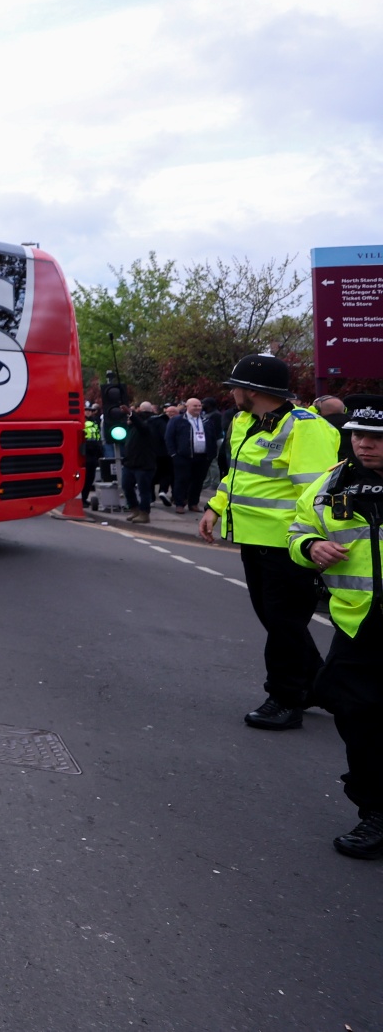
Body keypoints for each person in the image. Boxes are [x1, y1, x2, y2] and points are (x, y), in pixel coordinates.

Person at [201, 354, 342, 730]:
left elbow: (316, 493)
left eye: (234, 387)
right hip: (253, 539)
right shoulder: (244, 421)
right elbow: (238, 476)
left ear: (251, 391)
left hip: (289, 544)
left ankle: (285, 698)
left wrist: (313, 542)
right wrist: (215, 507)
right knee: (278, 622)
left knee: (284, 624)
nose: (231, 393)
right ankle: (317, 685)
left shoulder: (306, 428)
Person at [288, 396, 383, 858]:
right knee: (353, 713)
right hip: (358, 625)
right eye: (358, 435)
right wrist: (310, 546)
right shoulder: (330, 485)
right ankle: (375, 812)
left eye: (377, 438)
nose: (364, 445)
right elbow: (297, 528)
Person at [167, 396, 218, 513]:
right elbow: (169, 438)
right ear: (187, 407)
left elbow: (213, 437)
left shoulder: (207, 420)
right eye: (195, 406)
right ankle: (179, 503)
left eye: (199, 405)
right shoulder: (177, 420)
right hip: (183, 457)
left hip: (202, 457)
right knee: (181, 480)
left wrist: (211, 454)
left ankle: (193, 503)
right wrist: (174, 454)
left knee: (198, 481)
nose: (198, 408)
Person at [119, 400, 160, 523]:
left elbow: (142, 426)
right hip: (130, 463)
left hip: (144, 464)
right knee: (126, 486)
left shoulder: (150, 423)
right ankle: (134, 509)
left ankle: (144, 513)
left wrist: (131, 413)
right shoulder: (133, 427)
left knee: (144, 490)